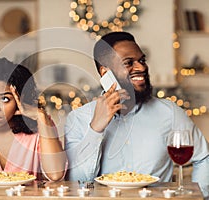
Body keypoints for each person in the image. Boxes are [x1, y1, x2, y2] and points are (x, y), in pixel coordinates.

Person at [64, 32, 209, 197]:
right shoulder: (78, 119)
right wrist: (96, 128)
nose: (142, 67)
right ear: (105, 72)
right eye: (128, 63)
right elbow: (76, 182)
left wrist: (201, 196)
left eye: (142, 60)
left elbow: (204, 157)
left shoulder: (169, 112)